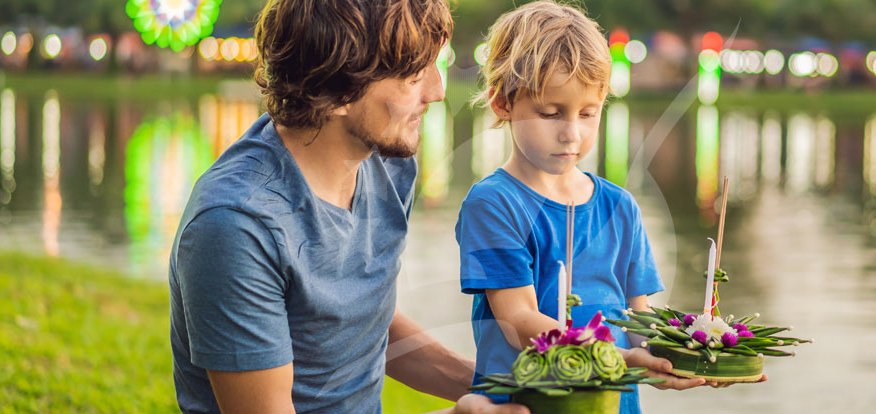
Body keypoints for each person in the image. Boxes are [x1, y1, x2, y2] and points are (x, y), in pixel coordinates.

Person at [169, 0, 525, 412]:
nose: (436, 91)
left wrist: (501, 388)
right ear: (335, 91)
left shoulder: (388, 163)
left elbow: (363, 324)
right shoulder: (236, 226)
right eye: (412, 76)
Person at [456, 2, 733, 414]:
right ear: (502, 103)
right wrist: (616, 357)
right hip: (525, 405)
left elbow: (639, 326)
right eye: (551, 113)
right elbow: (518, 322)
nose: (572, 133)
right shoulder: (494, 203)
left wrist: (691, 350)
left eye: (588, 113)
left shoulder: (619, 207)